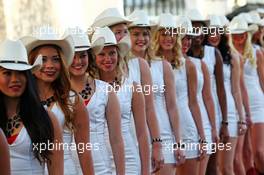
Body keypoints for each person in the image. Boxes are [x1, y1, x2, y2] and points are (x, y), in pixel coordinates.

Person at [92, 9, 164, 173]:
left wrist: (157, 144)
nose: (124, 36)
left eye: (126, 32)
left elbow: (149, 110)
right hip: (98, 157)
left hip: (130, 151)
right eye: (118, 32)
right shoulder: (88, 78)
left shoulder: (138, 67)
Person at [22, 30, 94, 175]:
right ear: (31, 63)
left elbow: (84, 149)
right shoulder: (20, 100)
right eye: (43, 60)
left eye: (55, 59)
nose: (50, 65)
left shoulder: (73, 100)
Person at [130, 12, 185, 174]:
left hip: (164, 136)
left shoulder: (162, 66)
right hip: (134, 137)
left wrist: (179, 143)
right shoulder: (122, 67)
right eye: (136, 34)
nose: (141, 38)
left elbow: (173, 107)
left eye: (145, 34)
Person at [0, 39, 63, 175]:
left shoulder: (47, 118)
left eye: (21, 73)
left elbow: (56, 170)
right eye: (7, 73)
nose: (15, 79)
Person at [68, 27, 125, 175]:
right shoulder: (56, 93)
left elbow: (116, 139)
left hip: (101, 166)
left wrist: (121, 172)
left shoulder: (106, 90)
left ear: (89, 57)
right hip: (67, 166)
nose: (78, 61)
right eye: (73, 56)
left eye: (83, 55)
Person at [167, 16, 207, 175]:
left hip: (186, 126)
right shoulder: (155, 63)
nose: (186, 42)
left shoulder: (189, 64)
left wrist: (202, 137)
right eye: (183, 37)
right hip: (165, 128)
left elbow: (194, 103)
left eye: (189, 38)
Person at [230, 16, 264, 175]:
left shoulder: (256, 53)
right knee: (244, 154)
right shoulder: (227, 54)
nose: (238, 39)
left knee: (259, 151)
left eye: (241, 35)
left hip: (257, 103)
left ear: (247, 35)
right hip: (237, 104)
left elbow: (263, 80)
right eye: (235, 35)